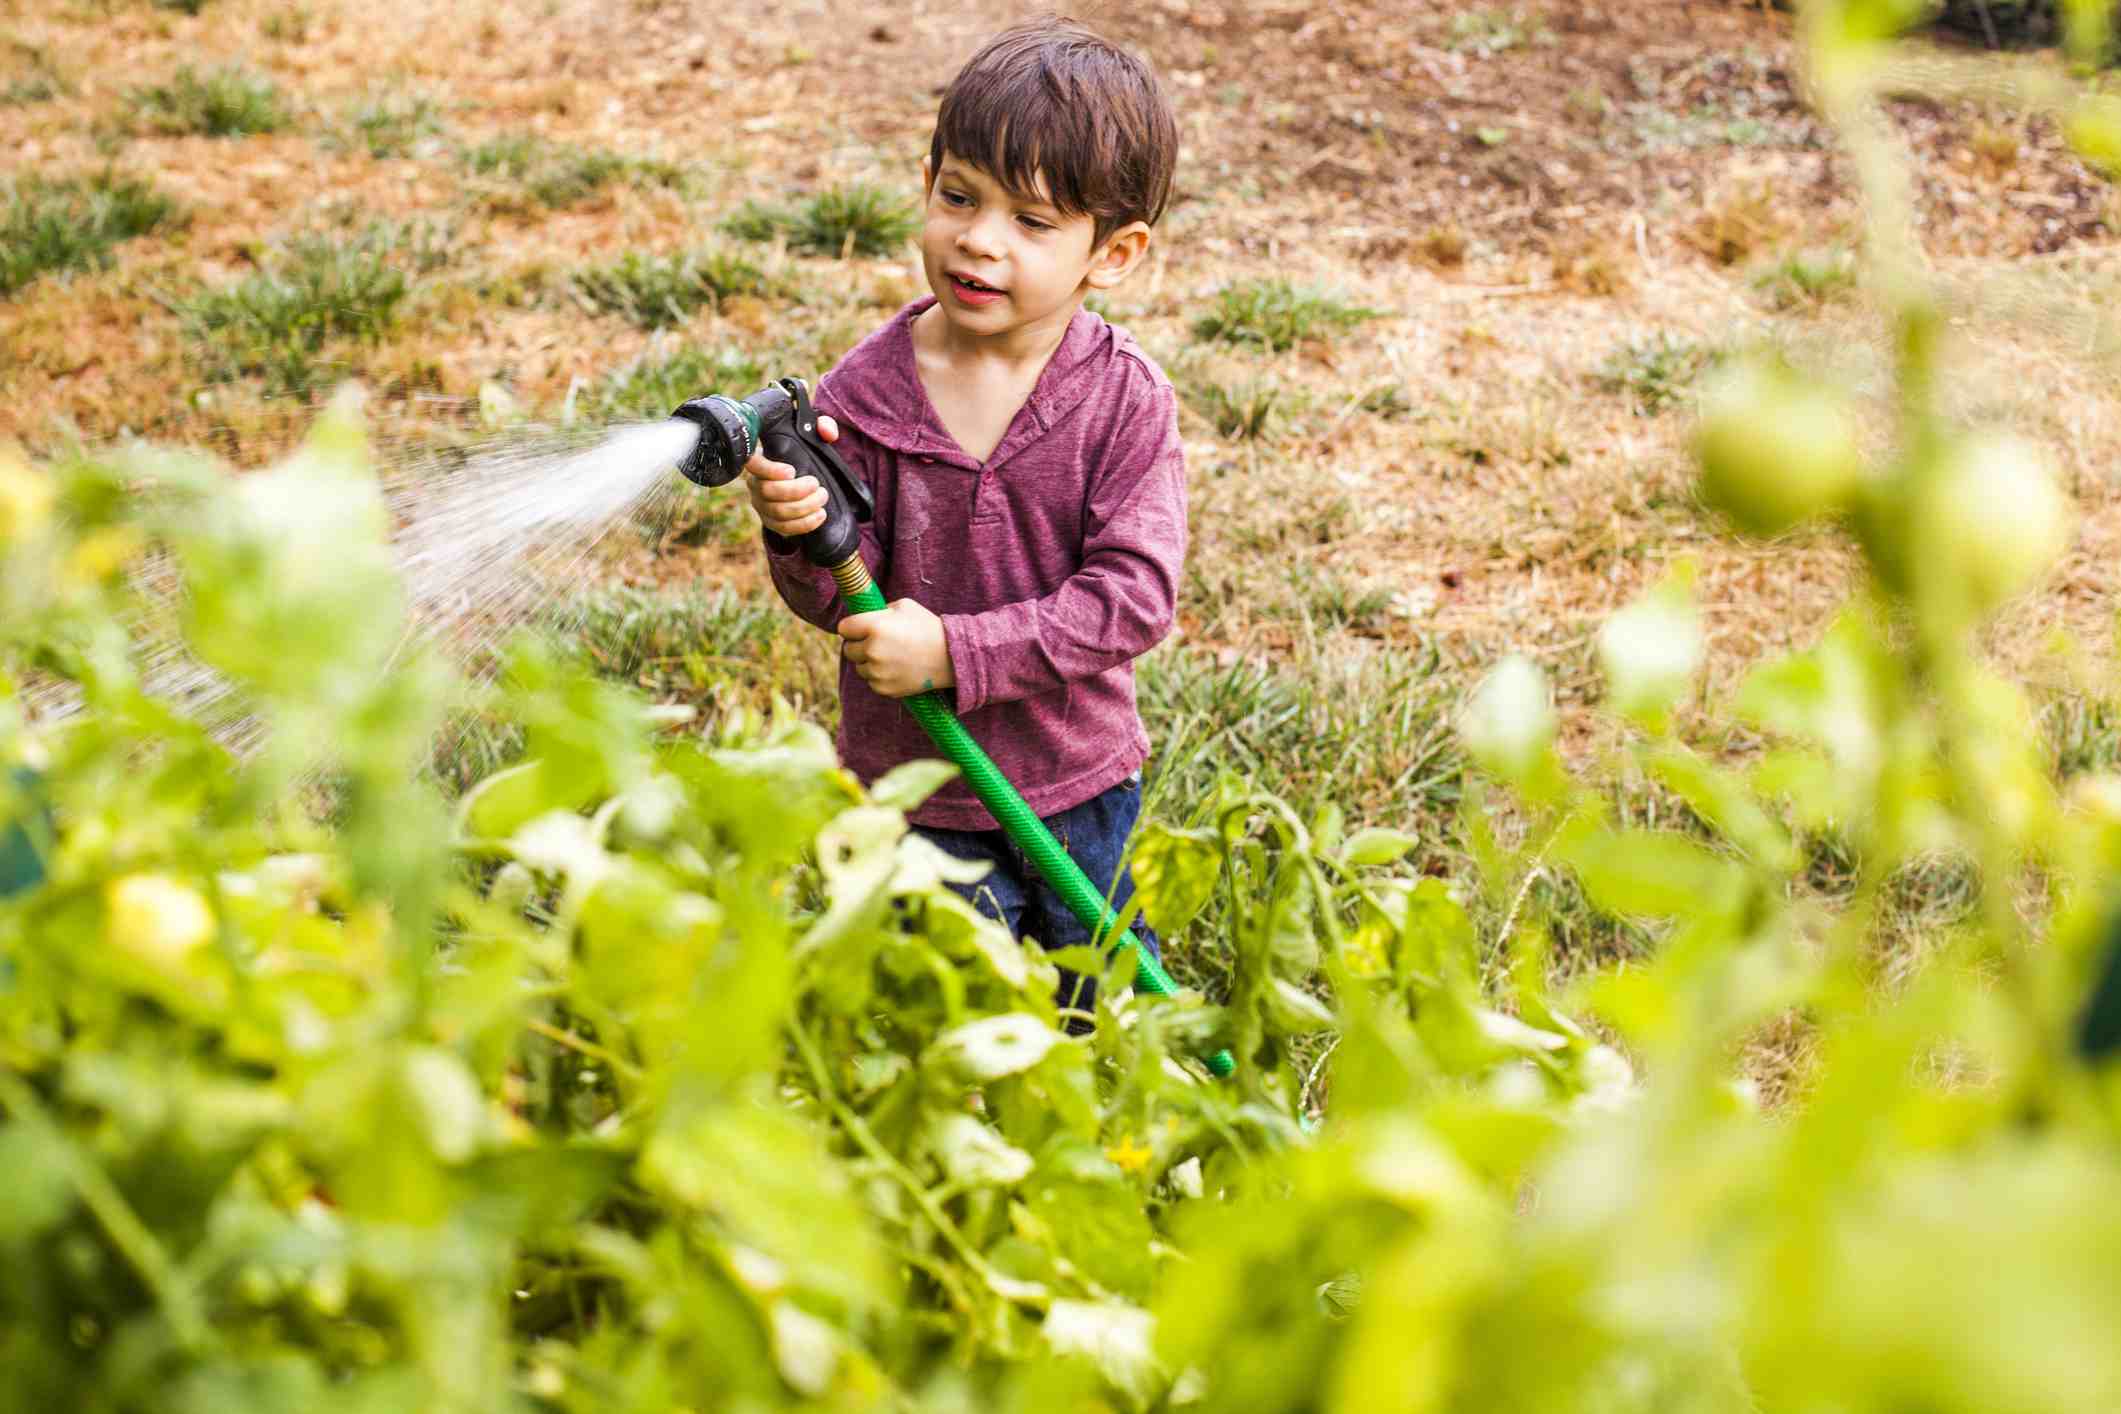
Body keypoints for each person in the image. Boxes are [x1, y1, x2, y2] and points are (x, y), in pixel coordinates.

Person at [745, 17, 1185, 1029]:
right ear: (927, 179)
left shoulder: (1123, 404)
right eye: (958, 197)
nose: (980, 239)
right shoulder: (863, 392)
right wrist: (801, 534)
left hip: (1072, 782)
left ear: (1111, 253)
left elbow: (1131, 600)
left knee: (1100, 1007)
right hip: (917, 790)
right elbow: (838, 596)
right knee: (944, 1024)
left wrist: (954, 648)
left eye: (1033, 222)